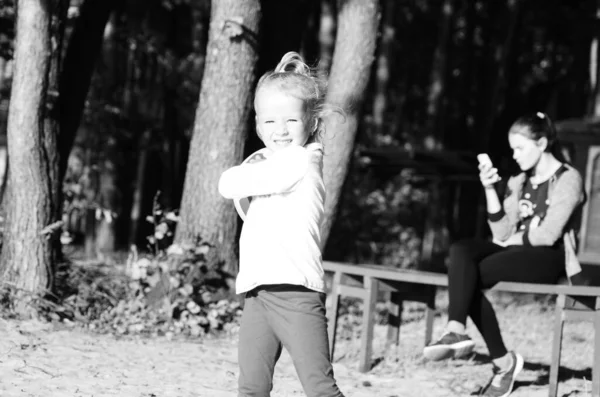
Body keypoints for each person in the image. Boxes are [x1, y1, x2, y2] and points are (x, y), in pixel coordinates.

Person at [422, 112, 586, 397]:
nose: (515, 155)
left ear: (543, 143)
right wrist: (489, 189)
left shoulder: (568, 178)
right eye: (512, 149)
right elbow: (500, 233)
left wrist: (518, 237)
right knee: (461, 251)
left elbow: (548, 235)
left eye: (521, 148)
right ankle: (457, 329)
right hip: (515, 249)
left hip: (551, 257)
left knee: (468, 277)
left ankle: (503, 363)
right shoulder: (517, 181)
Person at [218, 52, 345, 397]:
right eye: (270, 122)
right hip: (258, 290)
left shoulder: (300, 162)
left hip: (295, 291)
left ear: (311, 122)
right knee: (252, 387)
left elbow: (228, 183)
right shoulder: (270, 164)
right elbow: (246, 203)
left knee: (320, 387)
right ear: (258, 125)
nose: (281, 130)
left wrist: (252, 166)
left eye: (291, 120)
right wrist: (255, 164)